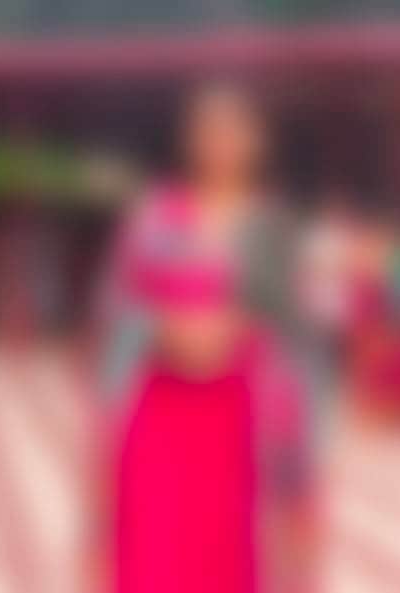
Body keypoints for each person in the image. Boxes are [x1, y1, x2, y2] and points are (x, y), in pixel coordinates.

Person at [97, 81, 311, 593]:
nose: (222, 142)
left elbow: (291, 332)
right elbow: (118, 311)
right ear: (191, 138)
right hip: (159, 411)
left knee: (225, 557)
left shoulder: (270, 225)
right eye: (210, 130)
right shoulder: (156, 216)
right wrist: (164, 327)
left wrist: (233, 328)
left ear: (257, 140)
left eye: (234, 129)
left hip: (236, 417)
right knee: (152, 554)